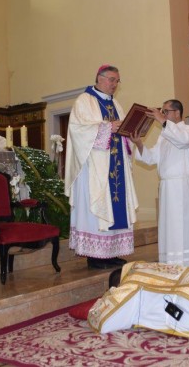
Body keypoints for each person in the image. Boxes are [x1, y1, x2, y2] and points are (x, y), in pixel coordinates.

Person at [64, 65, 138, 269]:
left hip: (115, 166)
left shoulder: (116, 104)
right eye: (111, 79)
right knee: (97, 207)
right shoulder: (84, 100)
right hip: (94, 168)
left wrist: (130, 133)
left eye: (117, 81)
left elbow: (122, 133)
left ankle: (111, 252)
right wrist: (107, 127)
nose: (114, 84)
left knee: (115, 207)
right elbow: (78, 131)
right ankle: (95, 255)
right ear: (99, 78)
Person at [130, 100, 189, 268]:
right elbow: (151, 159)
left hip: (182, 187)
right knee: (170, 229)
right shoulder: (164, 136)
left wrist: (162, 120)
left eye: (165, 111)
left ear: (177, 113)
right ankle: (170, 266)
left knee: (183, 228)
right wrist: (139, 143)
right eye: (162, 111)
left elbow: (183, 141)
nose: (162, 114)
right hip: (167, 187)